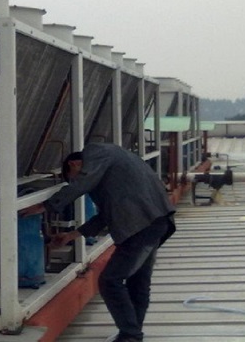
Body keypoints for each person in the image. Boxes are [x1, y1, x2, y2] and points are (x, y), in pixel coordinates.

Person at [20, 143, 176, 342]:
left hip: (142, 226)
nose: (77, 182)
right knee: (138, 282)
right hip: (155, 222)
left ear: (74, 164)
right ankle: (132, 333)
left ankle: (131, 335)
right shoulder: (114, 168)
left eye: (73, 178)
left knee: (110, 281)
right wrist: (71, 235)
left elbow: (82, 184)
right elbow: (106, 215)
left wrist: (46, 206)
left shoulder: (96, 152)